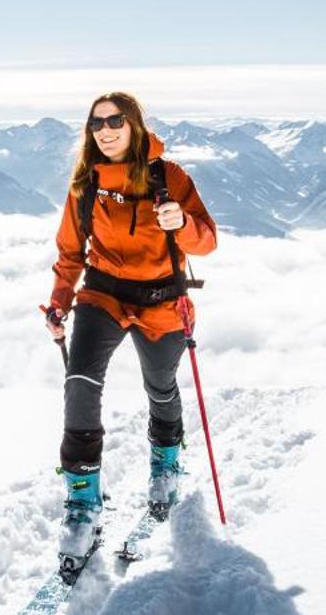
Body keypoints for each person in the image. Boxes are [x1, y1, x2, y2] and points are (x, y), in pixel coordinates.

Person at [39, 91, 218, 572]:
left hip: (161, 298)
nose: (106, 129)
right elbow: (70, 252)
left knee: (160, 385)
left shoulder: (169, 177)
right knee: (80, 385)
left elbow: (208, 240)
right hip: (102, 295)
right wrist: (59, 303)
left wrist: (181, 224)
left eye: (115, 120)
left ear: (135, 124)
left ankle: (165, 464)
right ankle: (82, 507)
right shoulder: (86, 183)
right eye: (97, 123)